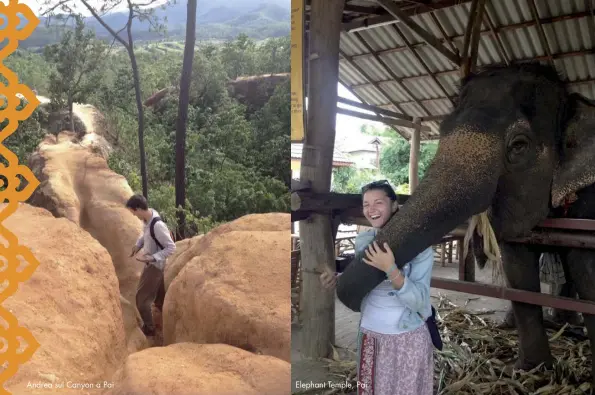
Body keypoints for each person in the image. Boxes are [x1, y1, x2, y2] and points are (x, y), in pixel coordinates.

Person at [320, 180, 435, 395]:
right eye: (366, 204)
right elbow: (365, 278)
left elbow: (419, 300)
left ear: (394, 205)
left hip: (407, 338)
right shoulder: (364, 242)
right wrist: (340, 278)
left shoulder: (420, 247)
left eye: (378, 203)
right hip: (371, 336)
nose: (371, 210)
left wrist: (391, 269)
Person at [126, 194, 176, 337]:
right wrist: (138, 245)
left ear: (139, 209)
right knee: (159, 295)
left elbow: (171, 247)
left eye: (133, 212)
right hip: (152, 263)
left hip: (154, 266)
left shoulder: (158, 225)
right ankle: (161, 316)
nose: (134, 215)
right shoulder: (148, 218)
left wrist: (152, 258)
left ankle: (150, 328)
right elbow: (145, 234)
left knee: (141, 300)